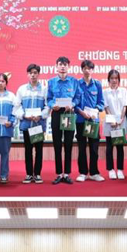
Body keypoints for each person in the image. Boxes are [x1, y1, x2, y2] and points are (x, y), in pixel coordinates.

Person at [46, 56, 81, 185]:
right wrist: (52, 105)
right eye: (60, 64)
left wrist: (72, 104)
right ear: (56, 66)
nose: (62, 66)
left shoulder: (74, 81)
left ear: (68, 67)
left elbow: (78, 97)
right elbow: (49, 98)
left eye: (65, 64)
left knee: (68, 143)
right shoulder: (51, 82)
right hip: (56, 113)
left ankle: (66, 174)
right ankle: (58, 173)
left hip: (69, 113)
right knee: (57, 144)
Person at [14, 63, 47, 184]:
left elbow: (47, 106)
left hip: (38, 125)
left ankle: (37, 174)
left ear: (38, 74)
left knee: (39, 150)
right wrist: (24, 115)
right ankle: (28, 174)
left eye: (35, 73)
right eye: (30, 73)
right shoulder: (22, 89)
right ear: (27, 74)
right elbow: (17, 106)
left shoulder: (44, 89)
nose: (33, 75)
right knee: (28, 150)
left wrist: (40, 115)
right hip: (27, 124)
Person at [74, 60, 104, 182]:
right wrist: (81, 112)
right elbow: (74, 102)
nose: (87, 70)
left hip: (93, 121)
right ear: (82, 69)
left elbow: (101, 102)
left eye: (89, 68)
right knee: (81, 148)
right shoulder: (77, 84)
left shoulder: (97, 84)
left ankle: (94, 172)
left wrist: (95, 110)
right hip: (80, 120)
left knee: (94, 148)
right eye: (85, 68)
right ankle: (82, 172)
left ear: (92, 70)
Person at [102, 69, 127, 180]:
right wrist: (112, 120)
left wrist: (121, 119)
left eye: (116, 78)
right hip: (110, 122)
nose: (114, 80)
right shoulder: (105, 91)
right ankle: (111, 170)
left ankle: (120, 170)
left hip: (121, 121)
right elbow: (106, 107)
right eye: (112, 78)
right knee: (109, 147)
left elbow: (125, 106)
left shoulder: (123, 90)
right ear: (108, 80)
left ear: (119, 80)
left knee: (120, 147)